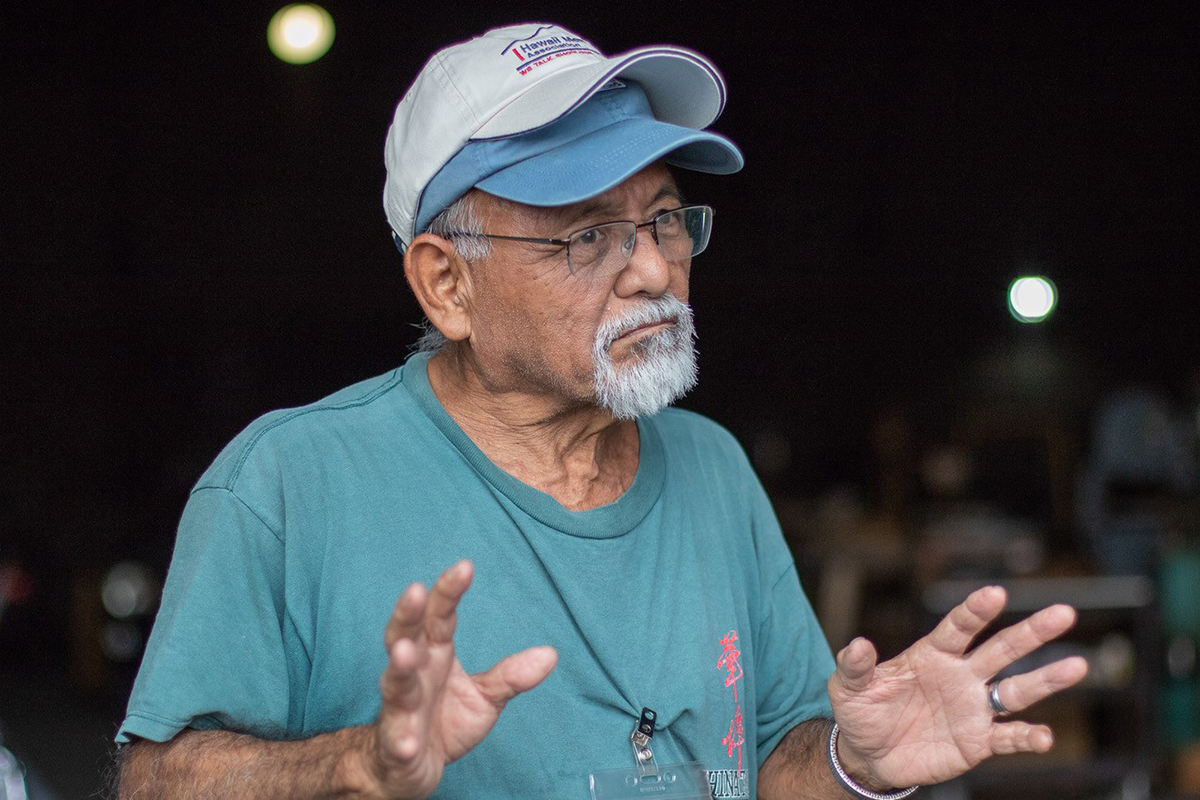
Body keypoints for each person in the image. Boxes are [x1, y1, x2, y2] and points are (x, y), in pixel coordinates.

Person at [116, 22, 1088, 799]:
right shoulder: (291, 483)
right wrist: (357, 764)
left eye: (664, 216)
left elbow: (766, 766)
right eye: (585, 232)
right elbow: (152, 779)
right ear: (447, 283)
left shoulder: (712, 468)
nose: (657, 268)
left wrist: (852, 763)